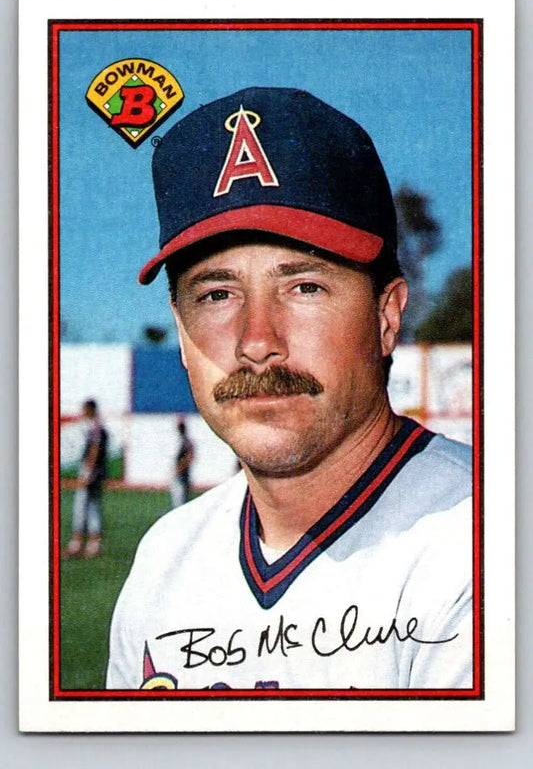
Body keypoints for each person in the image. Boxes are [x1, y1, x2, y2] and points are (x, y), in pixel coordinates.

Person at [107, 87, 472, 691]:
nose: (257, 341)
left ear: (386, 316)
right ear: (180, 329)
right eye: (216, 294)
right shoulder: (163, 559)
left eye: (304, 286)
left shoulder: (487, 545)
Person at [62, 398, 108, 559]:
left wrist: (88, 471)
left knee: (82, 506)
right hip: (97, 470)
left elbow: (94, 450)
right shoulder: (98, 426)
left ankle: (77, 544)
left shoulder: (94, 427)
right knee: (93, 507)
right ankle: (93, 545)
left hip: (91, 470)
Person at [169, 419, 194, 509]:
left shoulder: (186, 442)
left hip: (182, 475)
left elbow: (190, 457)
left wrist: (179, 468)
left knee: (180, 500)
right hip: (182, 474)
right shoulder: (184, 441)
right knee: (179, 498)